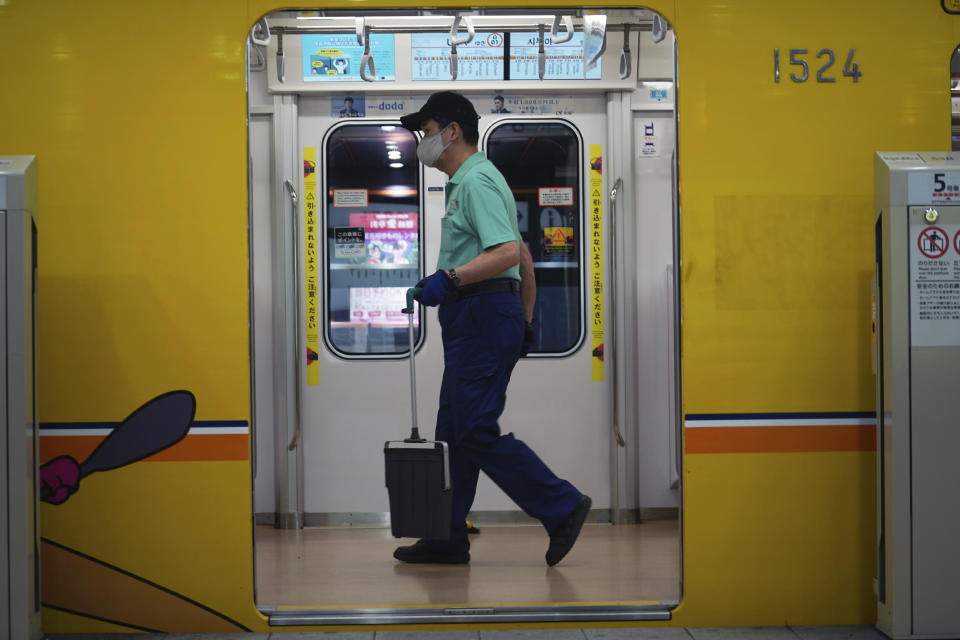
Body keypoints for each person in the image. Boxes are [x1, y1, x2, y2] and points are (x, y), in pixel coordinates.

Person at [396, 91, 590, 567]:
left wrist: (450, 278)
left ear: (452, 132)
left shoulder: (477, 181)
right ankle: (445, 537)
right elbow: (523, 257)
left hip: (481, 315)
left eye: (425, 132)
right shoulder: (473, 182)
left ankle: (561, 505)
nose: (422, 142)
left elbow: (504, 254)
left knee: (475, 430)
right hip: (481, 318)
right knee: (453, 433)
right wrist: (524, 318)